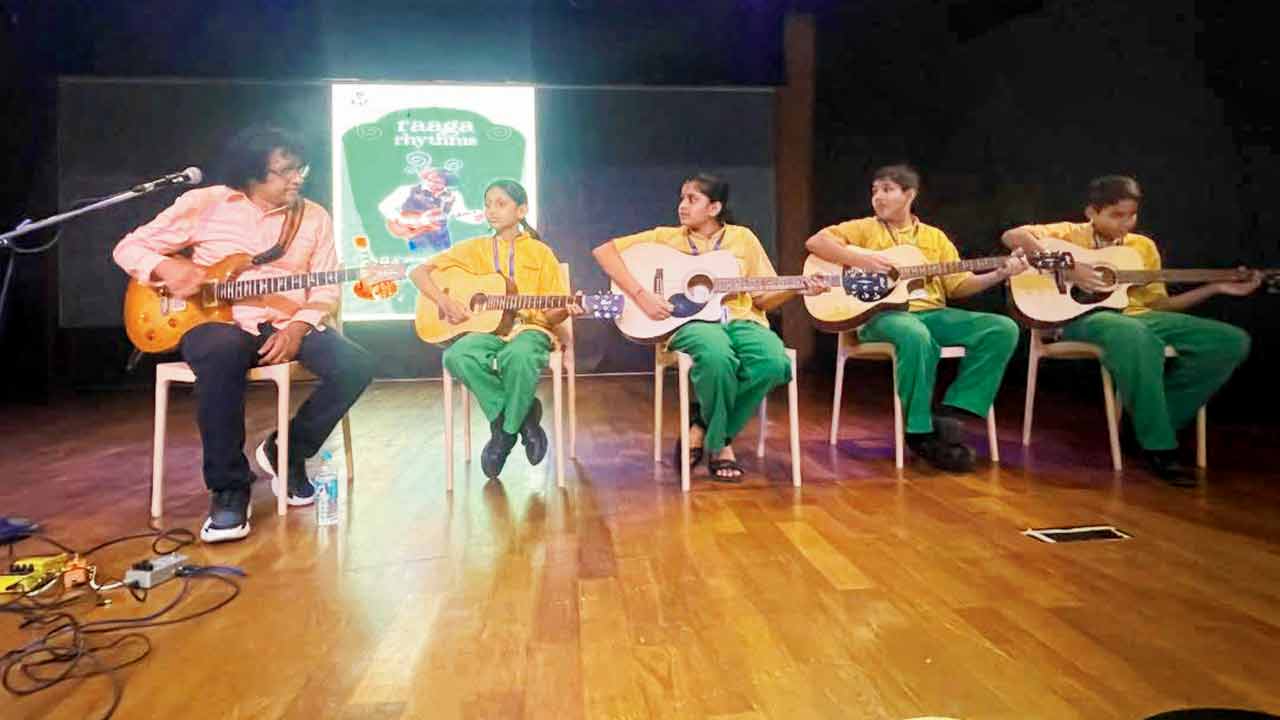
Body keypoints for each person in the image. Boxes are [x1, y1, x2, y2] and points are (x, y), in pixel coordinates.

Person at [113, 125, 375, 542]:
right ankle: (229, 490)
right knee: (221, 351)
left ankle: (286, 453)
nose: (297, 178)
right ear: (253, 173)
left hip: (284, 321)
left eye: (300, 168)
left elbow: (325, 286)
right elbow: (128, 248)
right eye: (285, 170)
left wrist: (298, 326)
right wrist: (167, 268)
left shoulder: (313, 216)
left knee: (356, 363)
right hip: (212, 322)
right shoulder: (206, 203)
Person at [1002, 175, 1258, 486]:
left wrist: (1215, 287)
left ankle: (1150, 425)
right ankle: (1159, 446)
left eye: (1131, 215)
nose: (1126, 223)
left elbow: (1159, 305)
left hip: (1138, 316)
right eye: (1116, 215)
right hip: (1081, 319)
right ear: (1091, 212)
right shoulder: (1067, 233)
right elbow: (1012, 235)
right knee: (1132, 334)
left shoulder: (1142, 247)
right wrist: (1070, 268)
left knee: (1228, 340)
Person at [593, 172, 823, 482]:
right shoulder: (666, 236)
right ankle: (721, 445)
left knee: (774, 362)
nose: (682, 206)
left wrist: (796, 287)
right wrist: (641, 294)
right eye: (682, 198)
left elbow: (763, 299)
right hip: (691, 321)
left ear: (714, 208)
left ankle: (702, 426)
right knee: (716, 357)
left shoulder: (743, 238)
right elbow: (604, 251)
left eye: (692, 199)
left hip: (743, 318)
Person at [806, 164, 1027, 472]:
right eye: (875, 191)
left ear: (909, 194)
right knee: (915, 334)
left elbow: (959, 284)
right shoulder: (864, 228)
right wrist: (862, 260)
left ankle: (954, 412)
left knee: (1002, 328)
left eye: (887, 190)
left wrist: (998, 273)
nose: (878, 197)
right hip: (883, 316)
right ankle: (918, 430)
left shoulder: (934, 238)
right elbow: (816, 243)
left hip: (933, 313)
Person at [410, 179, 581, 479]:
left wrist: (567, 306)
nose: (491, 210)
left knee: (520, 356)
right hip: (487, 331)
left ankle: (502, 435)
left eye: (500, 204)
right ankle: (523, 417)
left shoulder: (541, 253)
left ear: (521, 210)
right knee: (457, 357)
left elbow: (553, 315)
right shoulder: (474, 248)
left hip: (531, 329)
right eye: (488, 203)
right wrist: (445, 301)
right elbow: (419, 272)